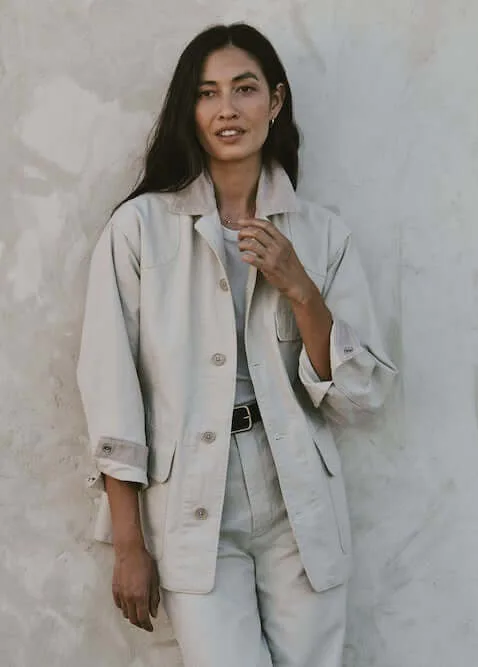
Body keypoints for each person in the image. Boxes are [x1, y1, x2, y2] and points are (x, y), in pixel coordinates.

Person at [77, 22, 397, 667]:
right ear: (188, 111)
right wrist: (129, 543)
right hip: (193, 502)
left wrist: (300, 287)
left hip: (297, 502)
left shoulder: (322, 234)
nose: (227, 109)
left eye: (245, 89)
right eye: (207, 93)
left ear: (274, 102)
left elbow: (362, 399)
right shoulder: (139, 230)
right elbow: (112, 391)